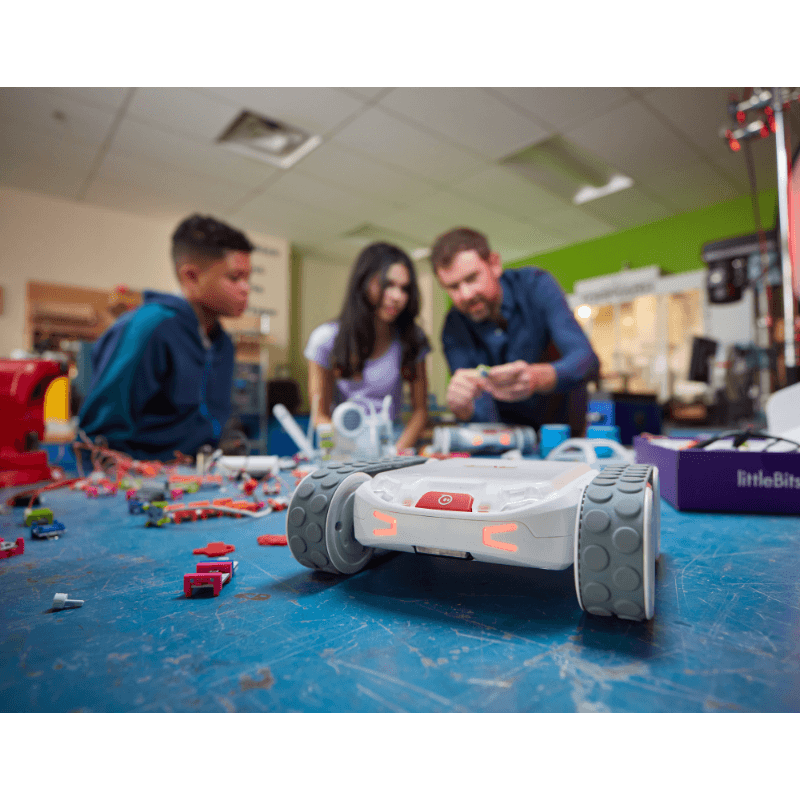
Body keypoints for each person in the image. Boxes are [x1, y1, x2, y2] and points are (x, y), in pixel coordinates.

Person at [77, 214, 254, 461]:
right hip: (144, 485)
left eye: (248, 278)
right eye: (234, 278)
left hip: (198, 479)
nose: (246, 289)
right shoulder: (149, 328)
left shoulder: (222, 343)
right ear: (191, 277)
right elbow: (97, 438)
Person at [431, 227, 599, 432]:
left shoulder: (536, 285)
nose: (465, 294)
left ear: (494, 264)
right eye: (453, 287)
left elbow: (587, 361)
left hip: (562, 432)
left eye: (472, 278)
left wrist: (538, 378)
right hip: (504, 441)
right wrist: (463, 407)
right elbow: (479, 409)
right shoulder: (453, 328)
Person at [304, 242, 431, 452]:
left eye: (404, 289)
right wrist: (348, 453)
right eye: (388, 284)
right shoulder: (325, 339)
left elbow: (420, 412)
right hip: (343, 443)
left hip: (393, 443)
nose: (397, 297)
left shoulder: (412, 338)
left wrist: (395, 454)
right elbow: (320, 415)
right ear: (363, 282)